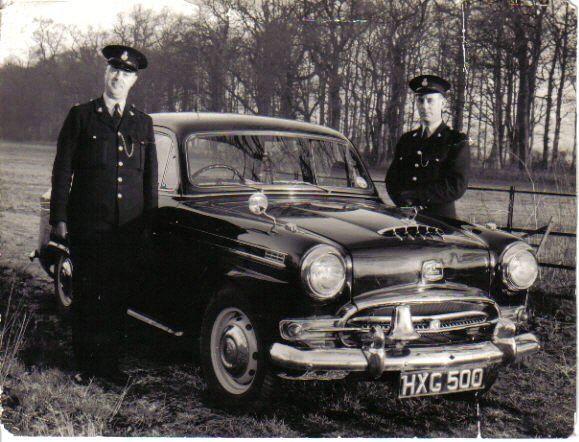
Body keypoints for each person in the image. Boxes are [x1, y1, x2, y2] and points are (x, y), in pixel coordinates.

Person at [49, 45, 158, 385]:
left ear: (134, 80)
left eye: (126, 73)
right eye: (114, 70)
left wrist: (148, 227)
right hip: (89, 226)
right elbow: (62, 171)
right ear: (105, 73)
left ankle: (109, 366)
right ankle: (86, 365)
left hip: (127, 228)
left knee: (117, 296)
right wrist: (60, 219)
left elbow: (149, 180)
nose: (118, 77)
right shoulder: (81, 116)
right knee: (88, 294)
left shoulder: (142, 123)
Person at [385, 74, 470, 218]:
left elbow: (456, 186)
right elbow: (392, 179)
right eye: (420, 100)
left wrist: (415, 197)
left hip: (440, 222)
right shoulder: (406, 140)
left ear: (443, 104)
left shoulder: (456, 140)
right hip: (406, 218)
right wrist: (403, 202)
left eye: (430, 101)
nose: (424, 106)